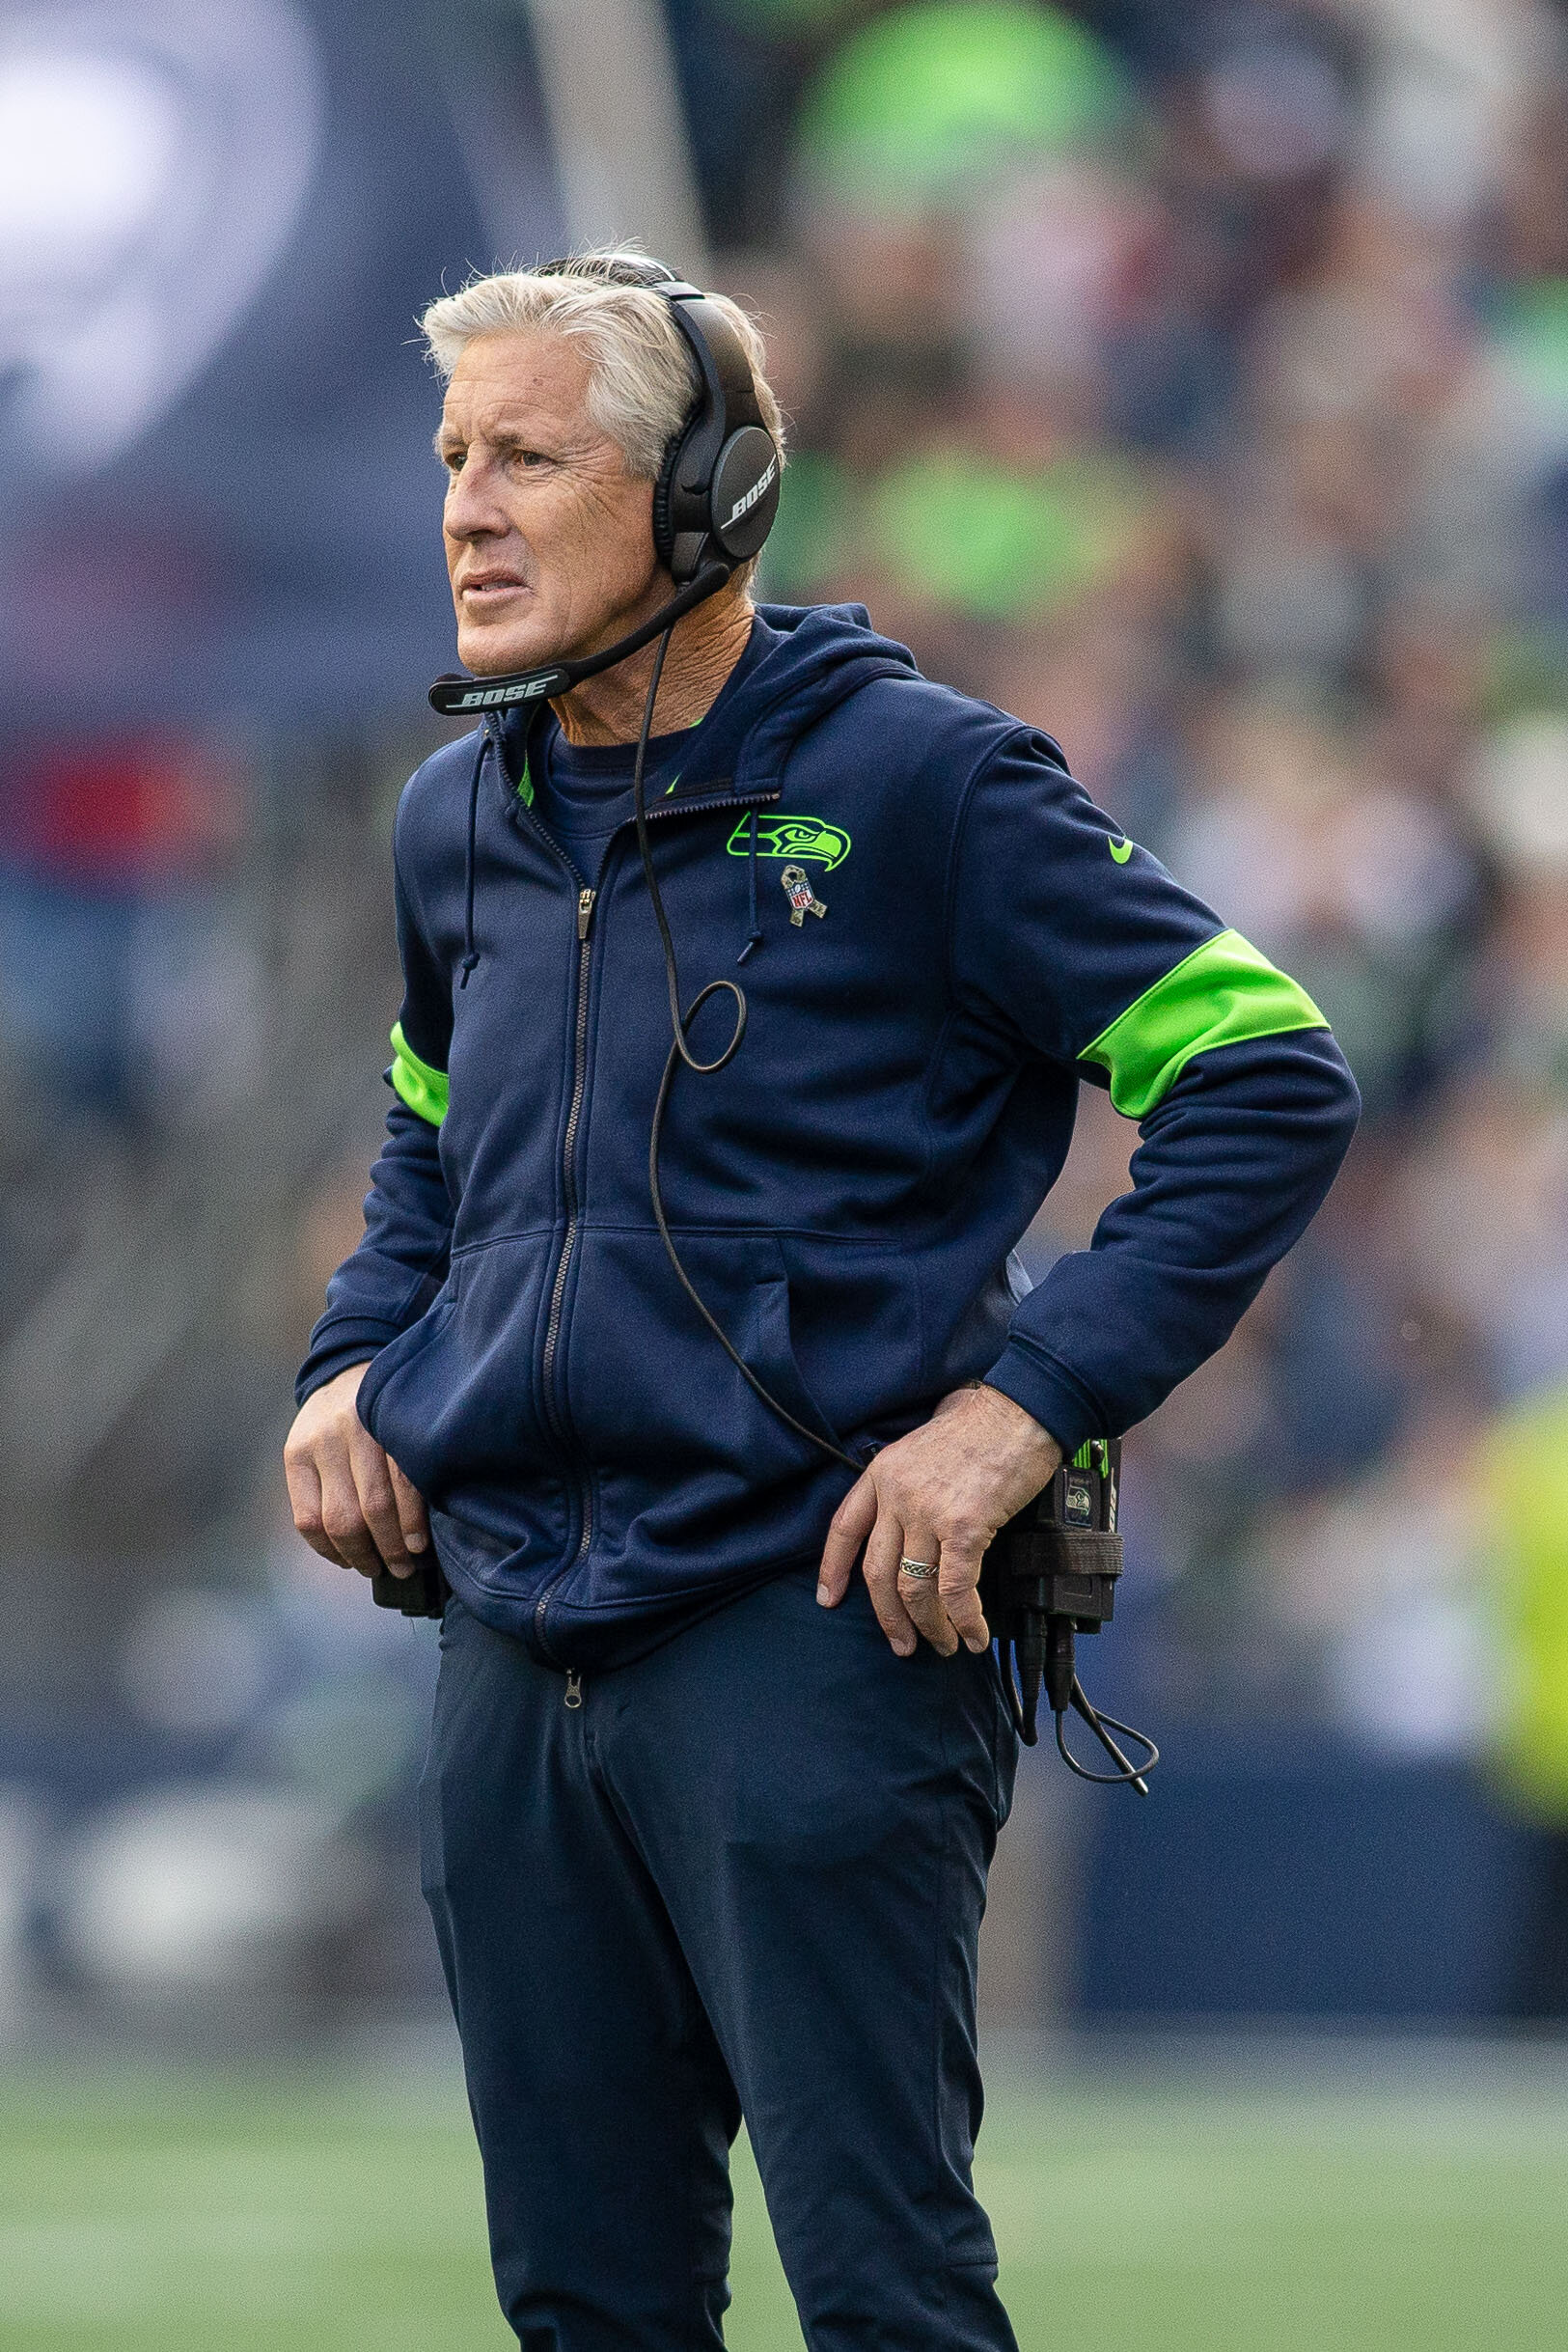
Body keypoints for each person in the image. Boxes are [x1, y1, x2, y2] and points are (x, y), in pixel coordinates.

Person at [283, 250, 1360, 2351]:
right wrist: (351, 1356)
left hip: (817, 1631)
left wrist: (1022, 1405)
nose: (466, 512)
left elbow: (1264, 1073)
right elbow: (429, 1142)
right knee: (585, 2305)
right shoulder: (455, 821)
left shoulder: (926, 783)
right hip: (511, 1641)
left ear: (709, 497)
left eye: (530, 458)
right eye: (450, 460)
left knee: (883, 2298)